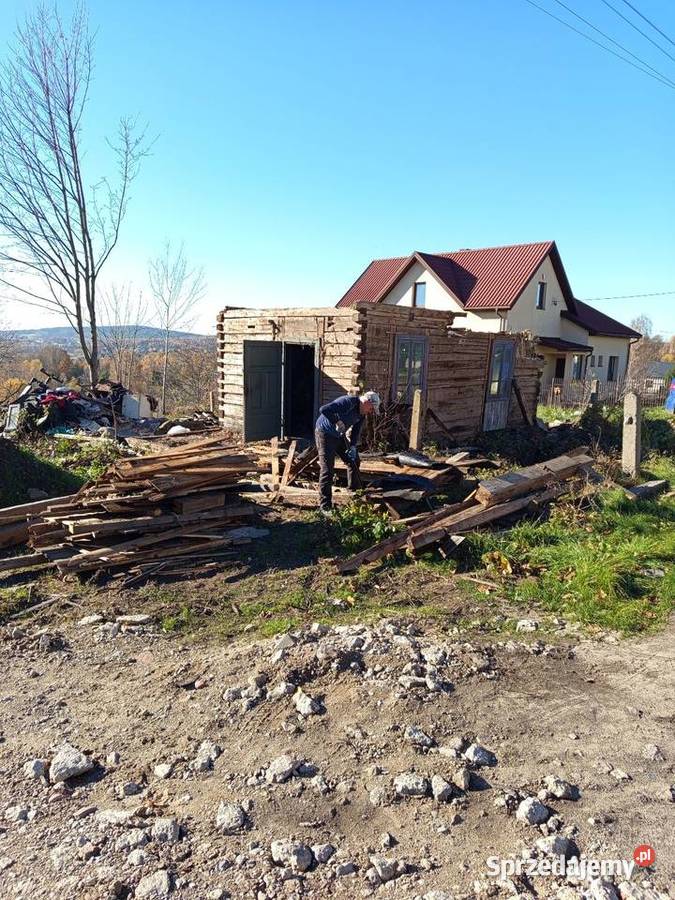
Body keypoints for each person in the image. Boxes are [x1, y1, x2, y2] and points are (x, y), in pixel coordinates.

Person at [314, 390, 381, 513]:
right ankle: (325, 505)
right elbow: (324, 409)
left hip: (339, 435)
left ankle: (354, 492)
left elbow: (356, 430)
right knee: (327, 470)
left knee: (353, 460)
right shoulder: (347, 402)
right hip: (324, 433)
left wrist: (353, 446)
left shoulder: (362, 413)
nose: (371, 412)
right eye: (371, 408)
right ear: (366, 402)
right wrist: (337, 421)